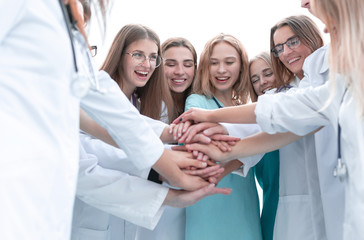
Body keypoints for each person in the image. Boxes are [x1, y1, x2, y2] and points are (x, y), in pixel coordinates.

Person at [174, 0, 364, 238]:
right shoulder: (291, 94)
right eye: (279, 48)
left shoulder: (331, 78)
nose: (285, 52)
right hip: (300, 208)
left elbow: (294, 116)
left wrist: (216, 123)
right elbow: (272, 126)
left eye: (293, 41)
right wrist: (221, 144)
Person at [184, 33, 262, 240]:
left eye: (229, 62)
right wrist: (251, 148)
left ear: (242, 67)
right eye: (214, 63)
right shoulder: (197, 102)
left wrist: (242, 149)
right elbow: (206, 150)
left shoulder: (245, 109)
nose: (221, 70)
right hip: (208, 208)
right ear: (205, 68)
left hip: (245, 206)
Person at [248, 52, 279, 240]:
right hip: (271, 210)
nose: (262, 82)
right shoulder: (252, 127)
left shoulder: (300, 115)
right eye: (255, 79)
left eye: (268, 74)